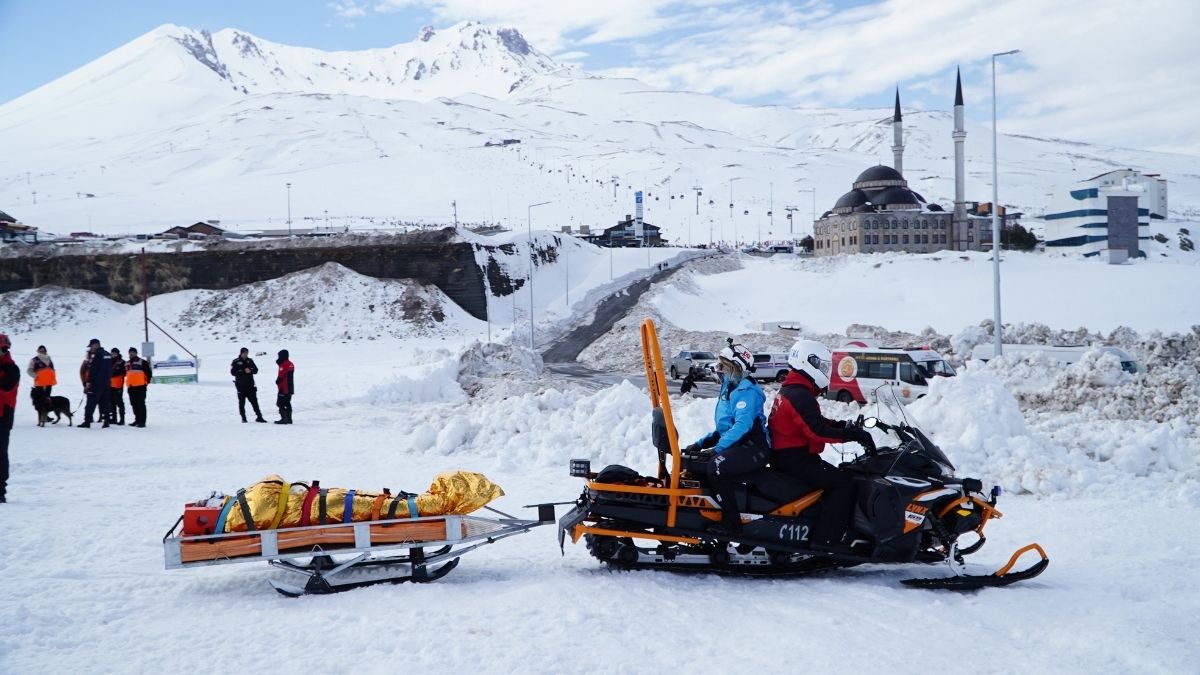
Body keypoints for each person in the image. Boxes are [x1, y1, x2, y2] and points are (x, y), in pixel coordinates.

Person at [767, 340, 876, 553]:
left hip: (790, 456)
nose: (825, 371)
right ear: (808, 362)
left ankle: (822, 526)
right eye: (823, 366)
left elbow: (814, 422)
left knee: (841, 475)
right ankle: (825, 540)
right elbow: (817, 431)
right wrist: (851, 435)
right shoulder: (800, 394)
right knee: (844, 485)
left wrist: (842, 426)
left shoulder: (794, 390)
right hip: (793, 459)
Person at [682, 341, 769, 532]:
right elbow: (725, 427)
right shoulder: (730, 386)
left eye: (724, 366)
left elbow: (742, 426)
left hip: (754, 448)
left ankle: (732, 524)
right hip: (739, 443)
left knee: (716, 466)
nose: (719, 369)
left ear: (736, 368)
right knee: (696, 462)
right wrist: (700, 444)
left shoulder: (747, 392)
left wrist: (717, 449)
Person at [0, 333, 19, 503]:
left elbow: (6, 388)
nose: (1, 352)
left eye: (3, 349)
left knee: (0, 454)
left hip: (3, 416)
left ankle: (0, 491)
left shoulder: (12, 369)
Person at [80, 339, 113, 429]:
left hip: (96, 384)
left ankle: (87, 422)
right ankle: (106, 421)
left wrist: (89, 382)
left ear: (96, 345)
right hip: (106, 383)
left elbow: (93, 370)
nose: (91, 348)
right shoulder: (107, 354)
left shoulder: (97, 355)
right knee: (105, 403)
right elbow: (110, 369)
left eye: (91, 346)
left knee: (90, 403)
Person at [230, 347, 266, 423]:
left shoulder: (250, 360)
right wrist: (243, 371)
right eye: (244, 353)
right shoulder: (236, 361)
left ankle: (259, 416)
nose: (246, 354)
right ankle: (243, 418)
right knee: (242, 402)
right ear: (241, 353)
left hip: (250, 385)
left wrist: (250, 370)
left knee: (254, 401)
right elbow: (233, 372)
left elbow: (256, 370)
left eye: (247, 353)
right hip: (241, 386)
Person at [26, 345, 57, 417]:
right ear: (38, 351)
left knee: (47, 400)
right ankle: (42, 416)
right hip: (40, 384)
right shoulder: (34, 360)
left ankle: (46, 416)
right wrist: (36, 376)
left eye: (43, 350)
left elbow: (51, 369)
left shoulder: (49, 359)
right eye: (41, 350)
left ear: (46, 351)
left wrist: (53, 375)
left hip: (49, 383)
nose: (42, 352)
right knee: (40, 401)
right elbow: (29, 370)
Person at [125, 347, 152, 428]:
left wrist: (146, 383)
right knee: (134, 404)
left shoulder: (142, 362)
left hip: (140, 387)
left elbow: (149, 373)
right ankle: (137, 420)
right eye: (130, 352)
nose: (132, 354)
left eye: (133, 352)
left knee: (140, 404)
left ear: (136, 353)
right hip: (131, 387)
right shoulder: (127, 363)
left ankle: (142, 422)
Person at [274, 349, 294, 425]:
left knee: (280, 403)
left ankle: (284, 419)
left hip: (284, 388)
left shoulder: (283, 364)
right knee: (287, 402)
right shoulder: (291, 363)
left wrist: (277, 381)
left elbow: (281, 376)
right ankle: (289, 419)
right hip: (290, 387)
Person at [108, 347, 126, 425]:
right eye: (112, 353)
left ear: (118, 354)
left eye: (115, 353)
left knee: (119, 403)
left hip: (118, 385)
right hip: (110, 385)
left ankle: (122, 419)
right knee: (112, 403)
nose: (113, 355)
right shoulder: (109, 361)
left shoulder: (122, 362)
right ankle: (114, 419)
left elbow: (124, 372)